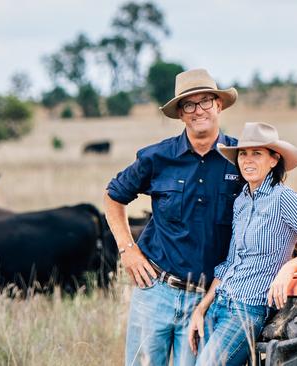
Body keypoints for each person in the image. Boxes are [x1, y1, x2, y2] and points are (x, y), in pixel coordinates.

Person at [104, 68, 242, 366]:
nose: (198, 110)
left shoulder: (242, 159)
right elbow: (113, 196)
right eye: (189, 105)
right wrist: (128, 250)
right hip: (155, 290)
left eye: (205, 101)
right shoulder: (157, 158)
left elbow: (271, 208)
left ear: (219, 105)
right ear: (180, 113)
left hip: (206, 301)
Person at [187, 122, 297, 366]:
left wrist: (287, 268)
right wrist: (201, 308)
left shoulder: (283, 198)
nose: (248, 160)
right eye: (243, 154)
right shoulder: (241, 201)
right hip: (219, 304)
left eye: (257, 153)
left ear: (273, 160)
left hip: (246, 310)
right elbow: (230, 263)